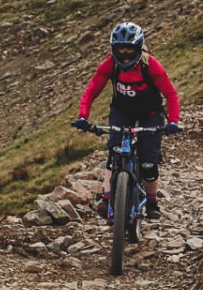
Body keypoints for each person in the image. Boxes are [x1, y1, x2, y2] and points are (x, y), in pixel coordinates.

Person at [73, 22, 181, 220]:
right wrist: (83, 116)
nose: (124, 53)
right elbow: (91, 91)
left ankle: (151, 201)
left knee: (149, 162)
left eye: (129, 48)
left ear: (138, 47)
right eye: (120, 48)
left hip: (151, 113)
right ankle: (107, 198)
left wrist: (173, 121)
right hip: (122, 111)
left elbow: (171, 95)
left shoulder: (151, 65)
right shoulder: (110, 65)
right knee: (114, 152)